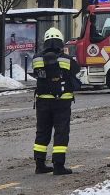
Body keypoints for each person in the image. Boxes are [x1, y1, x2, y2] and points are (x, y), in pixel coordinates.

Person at [31, 28, 81, 175]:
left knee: (42, 132)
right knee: (61, 132)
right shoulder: (66, 59)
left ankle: (40, 165)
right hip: (62, 102)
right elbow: (76, 70)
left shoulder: (36, 59)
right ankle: (58, 165)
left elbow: (35, 73)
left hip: (42, 101)